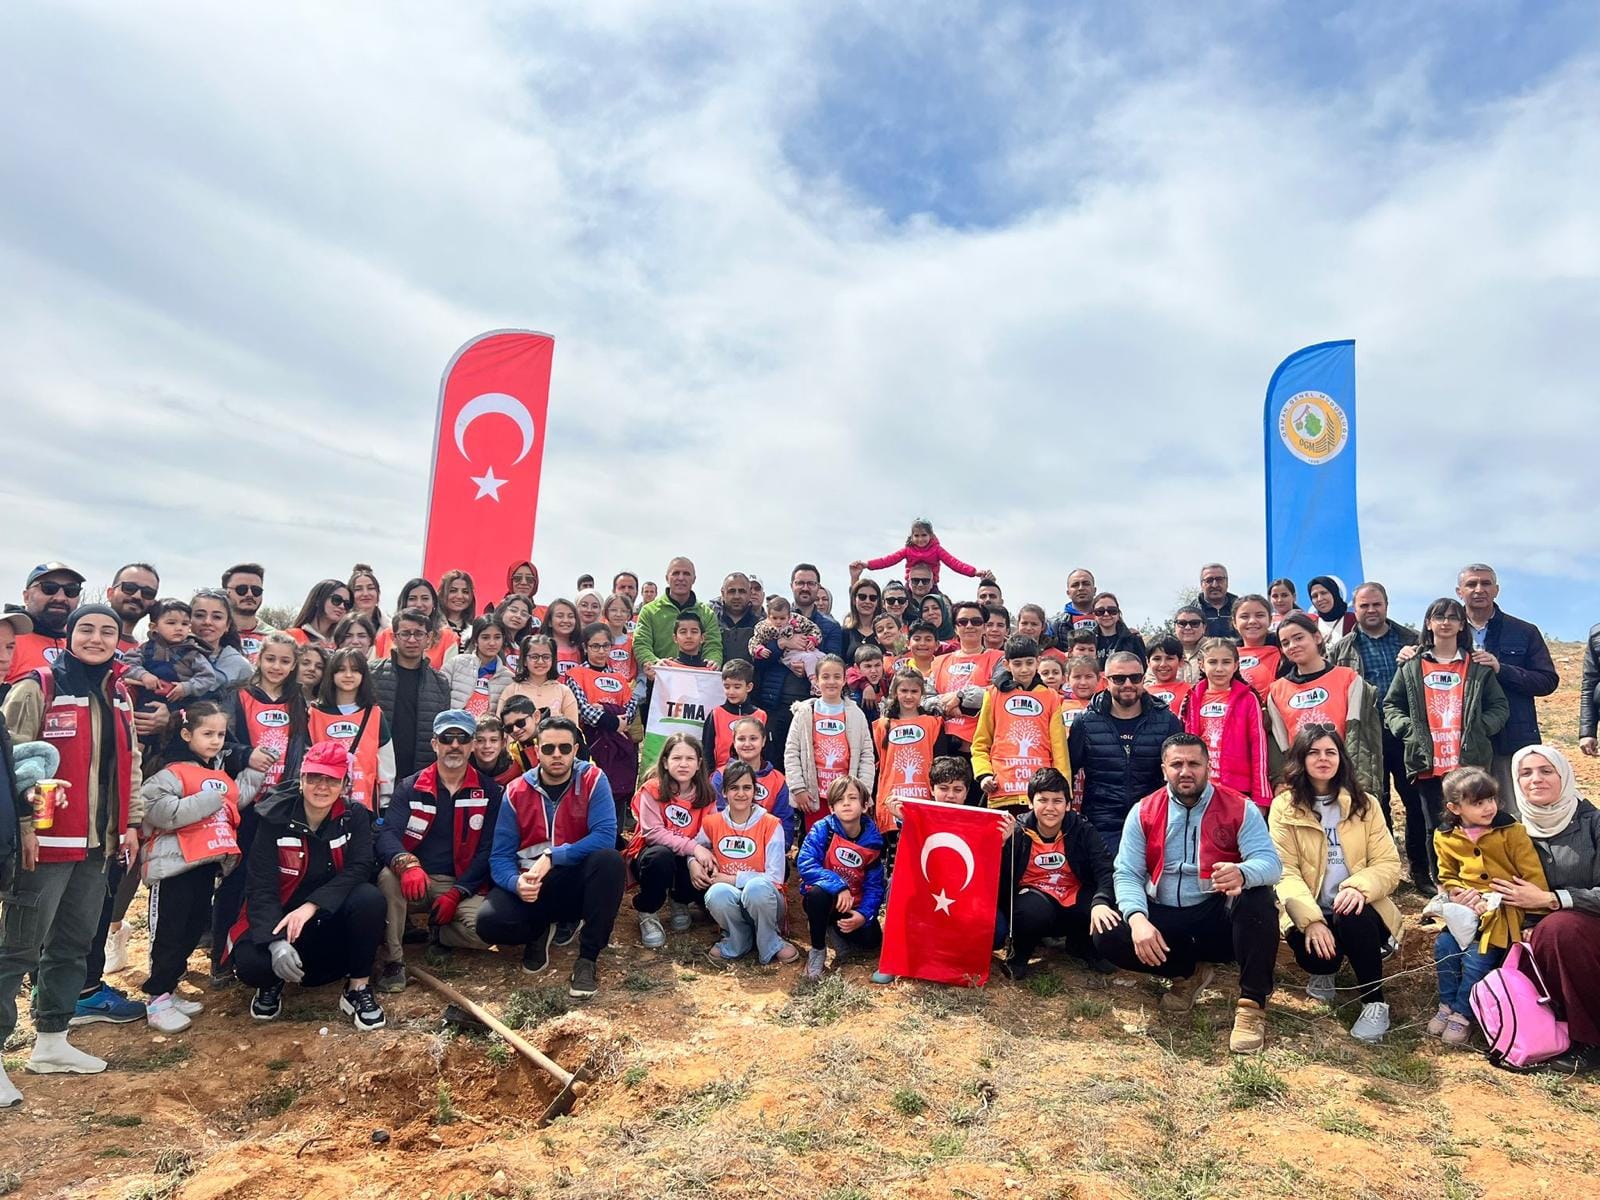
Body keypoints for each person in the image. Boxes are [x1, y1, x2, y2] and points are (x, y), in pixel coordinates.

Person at [0, 605, 146, 1078]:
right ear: (68, 634)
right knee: (18, 950)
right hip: (42, 845)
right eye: (87, 629)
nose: (96, 638)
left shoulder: (119, 692)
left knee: (72, 945)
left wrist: (130, 823)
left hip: (97, 846)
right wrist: (23, 825)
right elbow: (10, 764)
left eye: (108, 631)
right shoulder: (37, 686)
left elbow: (132, 763)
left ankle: (52, 1041)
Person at [1094, 734, 1283, 1055]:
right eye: (1177, 764)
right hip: (1165, 916)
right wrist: (1138, 919)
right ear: (1163, 769)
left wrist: (1242, 872)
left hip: (1217, 915)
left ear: (1208, 767)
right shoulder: (1143, 811)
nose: (1186, 771)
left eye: (1194, 764)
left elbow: (1271, 864)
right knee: (1107, 934)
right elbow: (1126, 873)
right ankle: (1186, 974)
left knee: (1258, 898)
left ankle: (1252, 1004)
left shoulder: (1240, 807)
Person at [227, 740, 387, 1030]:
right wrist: (274, 943)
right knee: (252, 965)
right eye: (314, 777)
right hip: (283, 922)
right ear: (301, 779)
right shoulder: (272, 818)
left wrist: (311, 906)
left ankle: (357, 988)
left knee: (369, 898)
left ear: (345, 783)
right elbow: (261, 886)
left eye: (331, 779)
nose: (322, 787)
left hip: (329, 919)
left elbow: (360, 867)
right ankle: (272, 981)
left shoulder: (355, 817)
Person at [1268, 726, 1401, 1043]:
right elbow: (1284, 871)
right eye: (1313, 752)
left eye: (1330, 752)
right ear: (1300, 758)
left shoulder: (1364, 804)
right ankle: (1325, 973)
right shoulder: (1284, 807)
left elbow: (1388, 864)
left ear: (1341, 758)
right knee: (1317, 957)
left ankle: (1374, 1001)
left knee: (1352, 915)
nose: (1323, 759)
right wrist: (1311, 921)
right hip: (1310, 908)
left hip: (1359, 907)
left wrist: (1358, 886)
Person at [477, 716, 623, 997]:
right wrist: (515, 884)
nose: (557, 755)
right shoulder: (516, 790)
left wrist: (553, 856)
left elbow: (605, 835)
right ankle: (540, 930)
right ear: (537, 749)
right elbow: (500, 856)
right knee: (489, 923)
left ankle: (587, 958)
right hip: (532, 881)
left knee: (609, 861)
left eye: (565, 748)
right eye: (548, 748)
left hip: (574, 879)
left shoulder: (593, 779)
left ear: (576, 750)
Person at [1382, 597, 1509, 885]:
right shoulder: (1412, 665)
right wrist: (1408, 730)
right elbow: (1392, 705)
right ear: (1429, 623)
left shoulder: (1476, 665)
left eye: (1453, 617)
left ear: (1461, 624)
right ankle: (1440, 883)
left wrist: (1479, 728)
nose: (1446, 622)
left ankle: (1477, 880)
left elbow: (1499, 707)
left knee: (1475, 821)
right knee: (1435, 826)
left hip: (1468, 761)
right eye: (1439, 617)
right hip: (1428, 761)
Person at [374, 710, 503, 992]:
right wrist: (405, 863)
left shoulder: (490, 791)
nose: (454, 745)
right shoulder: (410, 787)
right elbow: (387, 835)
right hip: (413, 878)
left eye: (462, 738)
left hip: (457, 882)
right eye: (447, 738)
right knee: (387, 876)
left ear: (472, 745)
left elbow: (488, 851)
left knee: (488, 933)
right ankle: (394, 960)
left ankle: (440, 934)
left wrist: (459, 892)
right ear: (435, 744)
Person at [135, 701, 241, 1032]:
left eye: (220, 734)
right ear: (186, 733)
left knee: (193, 927)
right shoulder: (170, 771)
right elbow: (157, 811)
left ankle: (169, 989)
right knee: (168, 930)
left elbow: (235, 800)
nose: (215, 740)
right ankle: (157, 998)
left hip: (204, 864)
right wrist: (210, 800)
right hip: (172, 868)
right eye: (206, 733)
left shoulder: (216, 774)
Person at [1429, 767, 1548, 1047]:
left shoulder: (1511, 831)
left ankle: (1463, 1013)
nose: (1488, 808)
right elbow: (1446, 875)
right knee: (1444, 947)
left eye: (1491, 800)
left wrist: (1532, 919)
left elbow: (1533, 876)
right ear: (1454, 808)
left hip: (1504, 914)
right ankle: (1445, 1005)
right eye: (1478, 803)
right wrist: (1457, 893)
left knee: (1477, 958)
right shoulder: (1444, 836)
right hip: (1466, 913)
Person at [214, 631, 308, 982]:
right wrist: (245, 755)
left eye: (285, 661)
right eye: (271, 659)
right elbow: (221, 741)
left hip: (284, 802)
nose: (277, 667)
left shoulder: (300, 700)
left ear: (294, 664)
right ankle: (221, 958)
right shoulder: (238, 697)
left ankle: (272, 942)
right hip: (246, 803)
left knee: (277, 877)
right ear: (259, 659)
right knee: (236, 878)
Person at [1509, 745, 1600, 1073]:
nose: (1536, 779)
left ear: (1564, 776)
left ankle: (1590, 1041)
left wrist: (1552, 900)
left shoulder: (1593, 824)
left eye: (1546, 771)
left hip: (1589, 927)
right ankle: (1541, 1035)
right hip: (1543, 932)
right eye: (1526, 773)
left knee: (1559, 929)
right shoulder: (1511, 830)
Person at [1329, 582, 1423, 872]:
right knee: (1374, 803)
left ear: (1386, 605)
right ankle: (1384, 869)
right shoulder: (1341, 649)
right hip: (1366, 737)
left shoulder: (1413, 640)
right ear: (1354, 609)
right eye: (1364, 605)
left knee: (1416, 802)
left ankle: (1421, 868)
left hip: (1407, 731)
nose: (1371, 610)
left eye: (1376, 604)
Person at [1451, 564, 1560, 808]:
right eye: (1471, 584)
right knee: (1469, 812)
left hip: (1511, 739)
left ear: (1496, 590)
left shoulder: (1523, 631)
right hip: (1461, 741)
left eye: (1486, 583)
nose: (1479, 589)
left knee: (1516, 811)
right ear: (1459, 591)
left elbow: (1547, 681)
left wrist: (1502, 669)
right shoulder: (1447, 631)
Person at [996, 767, 1119, 980]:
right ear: (1030, 802)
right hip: (1034, 899)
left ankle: (1083, 946)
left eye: (1057, 801)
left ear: (1068, 805)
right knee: (1031, 910)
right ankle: (1019, 954)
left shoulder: (1082, 829)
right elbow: (997, 878)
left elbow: (1105, 869)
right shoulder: (1015, 831)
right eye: (1043, 800)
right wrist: (1002, 845)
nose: (1050, 808)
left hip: (1072, 897)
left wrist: (1101, 902)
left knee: (1107, 905)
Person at [1068, 651, 1183, 856]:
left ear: (1144, 677)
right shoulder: (1085, 722)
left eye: (1135, 677)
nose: (1128, 684)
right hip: (1101, 823)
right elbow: (1069, 771)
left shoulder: (1167, 720)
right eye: (1119, 679)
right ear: (1106, 681)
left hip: (1153, 821)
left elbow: (1180, 772)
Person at [1266, 613, 1382, 798]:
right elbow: (1281, 744)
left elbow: (1358, 736)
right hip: (1303, 782)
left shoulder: (1349, 679)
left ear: (1317, 637)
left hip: (1345, 777)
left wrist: (1356, 784)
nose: (1293, 646)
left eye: (1298, 638)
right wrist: (1284, 779)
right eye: (1286, 643)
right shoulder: (1276, 691)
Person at [696, 761, 796, 965]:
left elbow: (775, 877)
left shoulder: (770, 824)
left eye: (747, 787)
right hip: (733, 900)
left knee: (756, 888)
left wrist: (733, 879)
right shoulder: (712, 823)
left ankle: (771, 941)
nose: (741, 793)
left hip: (765, 899)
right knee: (717, 893)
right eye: (734, 788)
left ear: (755, 791)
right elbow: (695, 847)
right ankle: (737, 939)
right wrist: (693, 864)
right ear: (724, 792)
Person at [625, 734, 716, 946]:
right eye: (676, 758)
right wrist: (693, 848)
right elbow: (653, 833)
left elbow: (706, 837)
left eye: (690, 759)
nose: (683, 764)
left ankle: (680, 900)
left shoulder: (707, 795)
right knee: (661, 857)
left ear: (699, 763)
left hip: (688, 856)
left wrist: (694, 858)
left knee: (706, 861)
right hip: (652, 854)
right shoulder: (652, 789)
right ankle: (648, 910)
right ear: (665, 762)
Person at [797, 777, 886, 980]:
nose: (846, 803)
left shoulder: (872, 842)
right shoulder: (823, 830)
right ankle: (818, 949)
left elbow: (874, 886)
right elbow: (806, 864)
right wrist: (838, 886)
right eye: (840, 799)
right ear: (831, 808)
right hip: (825, 899)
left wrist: (863, 915)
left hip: (853, 903)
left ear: (864, 806)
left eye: (852, 798)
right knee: (818, 894)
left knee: (872, 940)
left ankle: (835, 932)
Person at [971, 636, 1068, 810]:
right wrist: (983, 774)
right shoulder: (993, 694)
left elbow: (1059, 749)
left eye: (1029, 663)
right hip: (1002, 792)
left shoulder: (1051, 697)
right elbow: (980, 743)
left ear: (1038, 662)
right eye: (1017, 664)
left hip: (1040, 795)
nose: (1024, 669)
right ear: (1007, 664)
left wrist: (1064, 791)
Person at [785, 655, 876, 836]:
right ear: (816, 680)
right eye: (825, 677)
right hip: (814, 795)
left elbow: (867, 755)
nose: (831, 681)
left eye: (837, 676)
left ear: (844, 680)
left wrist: (863, 791)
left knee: (843, 846)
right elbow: (791, 752)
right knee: (817, 844)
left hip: (846, 797)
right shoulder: (804, 713)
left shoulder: (856, 714)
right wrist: (798, 788)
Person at [1181, 639, 1271, 809]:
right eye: (1212, 662)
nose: (1219, 668)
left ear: (1236, 665)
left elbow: (1259, 747)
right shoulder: (1192, 698)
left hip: (1238, 790)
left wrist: (1261, 797)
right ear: (1201, 665)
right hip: (1200, 788)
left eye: (1226, 662)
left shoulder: (1248, 698)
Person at [370, 608, 452, 783]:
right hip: (378, 770)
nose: (412, 640)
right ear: (394, 637)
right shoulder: (372, 675)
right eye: (405, 634)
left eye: (419, 634)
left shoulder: (440, 683)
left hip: (421, 774)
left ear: (428, 638)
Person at [308, 649, 394, 812]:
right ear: (331, 674)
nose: (348, 675)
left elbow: (386, 761)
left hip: (364, 802)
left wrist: (385, 801)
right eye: (341, 670)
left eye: (355, 670)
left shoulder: (374, 713)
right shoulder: (314, 714)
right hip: (321, 802)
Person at [566, 622, 641, 804]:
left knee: (618, 791)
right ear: (585, 646)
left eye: (605, 646)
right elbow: (584, 711)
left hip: (619, 747)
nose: (601, 651)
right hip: (591, 742)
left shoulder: (620, 678)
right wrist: (616, 722)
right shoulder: (576, 675)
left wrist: (604, 709)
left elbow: (630, 708)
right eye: (595, 646)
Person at [632, 558, 724, 684]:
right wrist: (655, 663)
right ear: (666, 578)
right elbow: (641, 644)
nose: (681, 578)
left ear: (694, 579)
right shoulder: (649, 611)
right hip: (659, 683)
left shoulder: (707, 613)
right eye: (676, 573)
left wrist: (713, 662)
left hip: (697, 684)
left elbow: (713, 645)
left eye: (686, 573)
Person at [930, 601, 1003, 754]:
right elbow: (925, 699)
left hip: (983, 746)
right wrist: (952, 703)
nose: (969, 626)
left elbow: (998, 694)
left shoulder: (999, 659)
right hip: (942, 743)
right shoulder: (938, 662)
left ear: (984, 627)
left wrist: (960, 697)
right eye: (963, 622)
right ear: (956, 628)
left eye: (976, 621)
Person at [712, 716, 794, 849]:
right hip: (727, 846)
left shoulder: (778, 780)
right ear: (733, 741)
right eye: (741, 739)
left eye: (753, 738)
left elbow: (784, 822)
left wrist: (775, 847)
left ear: (763, 741)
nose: (747, 744)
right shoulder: (720, 776)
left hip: (766, 848)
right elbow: (715, 816)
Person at [849, 518, 987, 588]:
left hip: (931, 586)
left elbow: (954, 563)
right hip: (911, 585)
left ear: (931, 535)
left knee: (937, 605)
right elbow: (888, 560)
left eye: (924, 535)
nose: (920, 539)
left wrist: (973, 572)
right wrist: (867, 564)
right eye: (916, 536)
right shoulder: (908, 550)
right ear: (912, 536)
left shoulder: (937, 549)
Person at [8, 562, 84, 683]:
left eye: (71, 590)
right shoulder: (7, 639)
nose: (60, 597)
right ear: (26, 596)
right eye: (49, 588)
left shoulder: (82, 645)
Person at [499, 634, 580, 727]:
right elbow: (502, 729)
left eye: (546, 657)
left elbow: (574, 730)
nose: (540, 662)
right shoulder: (511, 690)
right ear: (524, 660)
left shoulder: (564, 692)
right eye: (534, 657)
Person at [374, 578, 452, 669]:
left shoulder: (449, 638)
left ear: (434, 603)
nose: (419, 604)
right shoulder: (386, 635)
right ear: (404, 603)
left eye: (425, 598)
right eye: (412, 599)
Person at [700, 659, 764, 768]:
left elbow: (766, 752)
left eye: (737, 687)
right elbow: (707, 751)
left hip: (753, 776)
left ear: (749, 687)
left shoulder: (760, 715)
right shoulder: (716, 714)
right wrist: (710, 777)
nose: (731, 692)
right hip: (721, 776)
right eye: (727, 686)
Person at [446, 617, 514, 718]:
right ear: (475, 640)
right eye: (485, 637)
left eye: (497, 637)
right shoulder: (456, 664)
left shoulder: (509, 678)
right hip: (454, 727)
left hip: (488, 732)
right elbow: (438, 698)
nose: (492, 643)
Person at [188, 588, 253, 692]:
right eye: (199, 615)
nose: (207, 622)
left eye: (217, 617)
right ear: (188, 620)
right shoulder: (169, 655)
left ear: (227, 625)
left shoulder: (240, 666)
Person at [751, 595, 823, 689]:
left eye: (782, 618)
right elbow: (754, 641)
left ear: (788, 616)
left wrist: (813, 639)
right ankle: (815, 684)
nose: (778, 622)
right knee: (809, 659)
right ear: (768, 616)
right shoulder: (764, 627)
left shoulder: (797, 620)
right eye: (775, 618)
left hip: (806, 648)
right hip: (788, 655)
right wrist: (759, 650)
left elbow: (813, 628)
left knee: (824, 659)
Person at [1230, 595, 1282, 699]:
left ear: (1270, 620)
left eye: (1259, 615)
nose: (1252, 621)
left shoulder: (1284, 653)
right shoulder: (1226, 655)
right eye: (1244, 617)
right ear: (1234, 622)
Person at [221, 563, 274, 664]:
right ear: (225, 592)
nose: (249, 594)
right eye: (241, 589)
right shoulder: (213, 634)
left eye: (256, 590)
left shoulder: (274, 637)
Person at [1089, 593, 1146, 669]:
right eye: (1100, 611)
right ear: (1094, 616)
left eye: (1112, 610)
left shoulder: (1133, 639)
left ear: (1118, 614)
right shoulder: (1088, 640)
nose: (1106, 614)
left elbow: (1143, 667)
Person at [714, 572, 758, 666]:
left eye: (742, 591)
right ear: (722, 593)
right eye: (732, 591)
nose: (737, 596)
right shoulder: (711, 622)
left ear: (750, 593)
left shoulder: (760, 626)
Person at [1046, 568, 1099, 646]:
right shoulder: (1054, 624)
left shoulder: (1110, 618)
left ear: (1094, 590)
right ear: (1068, 593)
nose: (1081, 588)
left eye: (1086, 583)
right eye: (1075, 585)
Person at [1143, 635, 1192, 717]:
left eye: (1169, 658)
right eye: (1157, 659)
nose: (1163, 664)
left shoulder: (1192, 691)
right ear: (1148, 662)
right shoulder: (1143, 694)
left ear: (1181, 661)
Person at [841, 578, 883, 666]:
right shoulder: (844, 632)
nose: (867, 601)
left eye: (873, 598)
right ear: (853, 600)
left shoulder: (884, 631)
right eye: (862, 597)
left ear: (877, 602)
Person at [471, 714, 519, 786]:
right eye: (480, 740)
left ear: (503, 743)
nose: (487, 746)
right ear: (472, 743)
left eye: (493, 740)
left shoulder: (513, 771)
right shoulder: (462, 769)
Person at [1307, 576, 1357, 642]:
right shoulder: (1312, 626)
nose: (1320, 599)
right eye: (1315, 596)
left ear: (1334, 593)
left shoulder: (1354, 620)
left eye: (1324, 593)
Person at [543, 598, 584, 678]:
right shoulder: (540, 647)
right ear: (550, 622)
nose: (566, 620)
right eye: (560, 616)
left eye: (570, 616)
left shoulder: (582, 649)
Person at [1196, 564, 1238, 638]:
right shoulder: (1193, 612)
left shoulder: (1240, 609)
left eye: (1219, 579)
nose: (1214, 585)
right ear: (1201, 584)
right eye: (1209, 580)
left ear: (1227, 582)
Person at [438, 569, 478, 642]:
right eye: (453, 591)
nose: (460, 596)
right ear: (442, 594)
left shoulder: (476, 630)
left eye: (465, 592)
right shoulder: (433, 627)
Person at [1172, 604, 1208, 683]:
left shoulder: (1216, 650)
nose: (1188, 627)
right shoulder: (1164, 652)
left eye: (1194, 623)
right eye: (1182, 623)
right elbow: (1150, 683)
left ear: (1204, 627)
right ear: (1175, 627)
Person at [348, 564, 384, 633]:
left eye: (371, 588)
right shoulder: (339, 628)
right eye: (358, 589)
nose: (365, 594)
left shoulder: (391, 628)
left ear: (378, 593)